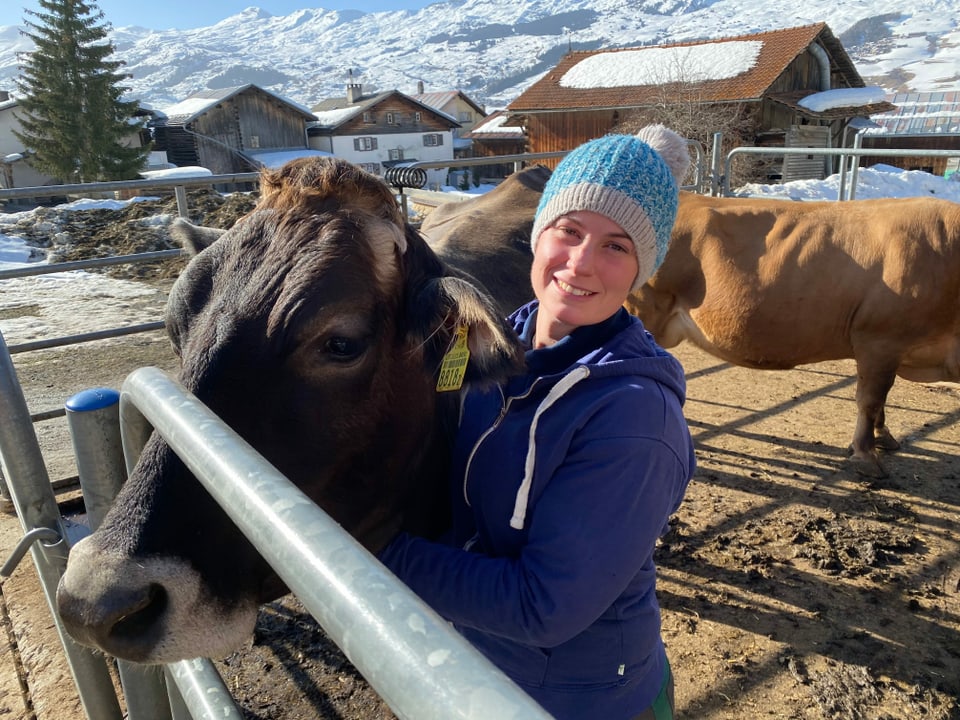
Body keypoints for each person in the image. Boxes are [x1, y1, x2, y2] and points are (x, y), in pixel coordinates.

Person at [379, 125, 696, 719]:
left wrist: (374, 548)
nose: (580, 263)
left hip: (579, 696)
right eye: (569, 231)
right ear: (537, 233)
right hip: (482, 663)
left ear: (641, 269)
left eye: (616, 246)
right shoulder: (487, 341)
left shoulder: (633, 418)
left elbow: (541, 607)